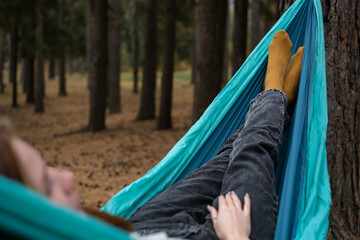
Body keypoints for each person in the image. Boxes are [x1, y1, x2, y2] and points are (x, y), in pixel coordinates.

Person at [0, 30, 303, 240]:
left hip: (139, 229)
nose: (67, 176)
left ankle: (273, 102)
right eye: (46, 183)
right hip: (222, 234)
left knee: (224, 161)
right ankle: (275, 95)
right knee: (249, 157)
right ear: (32, 222)